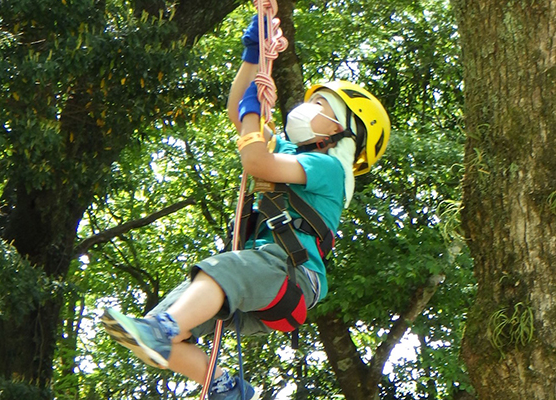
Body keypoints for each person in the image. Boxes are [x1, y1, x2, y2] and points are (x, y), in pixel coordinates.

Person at [101, 14, 390, 400]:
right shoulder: (292, 153)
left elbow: (256, 162)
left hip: (293, 272)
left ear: (341, 129)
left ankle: (164, 328)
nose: (305, 108)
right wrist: (252, 56)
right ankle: (225, 386)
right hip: (266, 274)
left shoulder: (329, 169)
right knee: (161, 329)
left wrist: (256, 111)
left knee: (215, 275)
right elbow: (240, 114)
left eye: (319, 105)